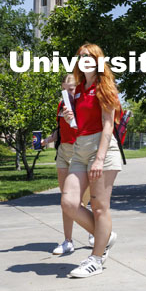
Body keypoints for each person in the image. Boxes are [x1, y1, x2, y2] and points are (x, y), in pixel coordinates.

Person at [60, 44, 125, 278]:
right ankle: (105, 237)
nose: (83, 59)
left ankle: (96, 259)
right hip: (80, 147)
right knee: (68, 202)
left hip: (102, 150)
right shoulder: (77, 89)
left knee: (99, 208)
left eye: (88, 56)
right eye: (80, 56)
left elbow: (109, 124)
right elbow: (82, 122)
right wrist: (71, 118)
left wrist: (99, 159)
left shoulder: (104, 86)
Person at [43, 74, 91, 256]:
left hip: (80, 151)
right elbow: (60, 128)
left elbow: (86, 128)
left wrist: (73, 119)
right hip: (63, 151)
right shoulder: (62, 104)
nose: (67, 93)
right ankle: (68, 241)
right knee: (65, 200)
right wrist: (48, 139)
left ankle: (92, 232)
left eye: (70, 89)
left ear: (78, 87)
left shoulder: (84, 104)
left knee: (83, 200)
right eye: (64, 89)